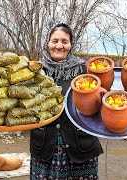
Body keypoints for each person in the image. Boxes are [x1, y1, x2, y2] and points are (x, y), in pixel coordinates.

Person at [30, 23, 104, 179]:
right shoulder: (34, 71)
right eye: (54, 41)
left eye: (64, 41)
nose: (59, 46)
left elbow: (101, 100)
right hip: (44, 147)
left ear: (71, 44)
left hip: (81, 145)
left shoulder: (84, 71)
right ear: (47, 43)